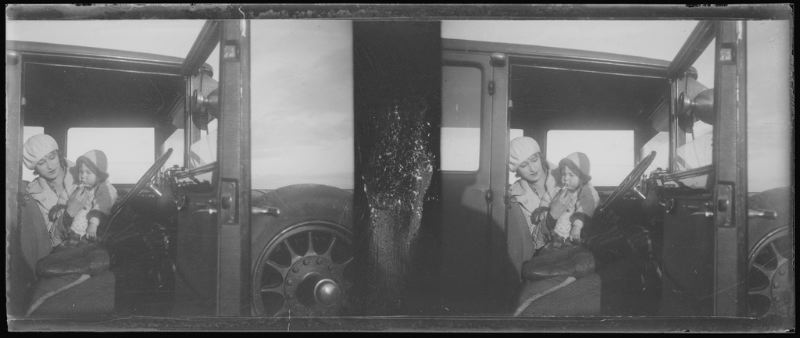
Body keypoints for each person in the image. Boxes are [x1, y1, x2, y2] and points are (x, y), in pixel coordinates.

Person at [22, 134, 87, 249]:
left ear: (59, 155)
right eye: (41, 163)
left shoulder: (86, 174)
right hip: (62, 254)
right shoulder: (33, 196)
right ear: (34, 167)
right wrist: (68, 213)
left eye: (52, 157)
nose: (50, 166)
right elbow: (50, 241)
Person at [507, 136, 558, 279]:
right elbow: (534, 243)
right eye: (523, 165)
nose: (532, 168)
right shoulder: (516, 197)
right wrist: (552, 217)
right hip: (548, 256)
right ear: (516, 170)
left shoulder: (568, 175)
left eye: (534, 160)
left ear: (540, 157)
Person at [534, 152, 600, 249]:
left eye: (571, 175)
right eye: (564, 174)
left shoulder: (583, 191)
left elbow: (585, 209)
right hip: (554, 233)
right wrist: (542, 211)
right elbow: (547, 198)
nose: (566, 178)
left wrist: (577, 227)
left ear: (582, 178)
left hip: (572, 234)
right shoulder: (558, 189)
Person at [63, 150, 118, 244]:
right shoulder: (78, 186)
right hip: (74, 228)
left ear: (99, 175)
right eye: (81, 172)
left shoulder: (104, 188)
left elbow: (102, 206)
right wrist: (60, 206)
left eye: (88, 172)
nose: (83, 176)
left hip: (92, 229)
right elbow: (66, 196)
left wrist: (93, 224)